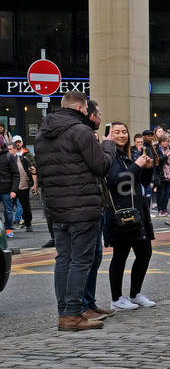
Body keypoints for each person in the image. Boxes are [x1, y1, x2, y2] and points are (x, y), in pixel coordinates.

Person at [33, 90, 113, 330]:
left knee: (64, 259)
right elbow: (101, 166)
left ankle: (64, 312)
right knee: (80, 260)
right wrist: (108, 146)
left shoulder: (42, 135)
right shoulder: (81, 131)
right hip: (82, 206)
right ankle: (72, 314)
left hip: (56, 207)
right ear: (80, 107)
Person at [101, 121, 157, 310]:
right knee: (120, 255)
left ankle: (135, 294)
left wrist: (147, 168)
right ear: (109, 135)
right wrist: (136, 165)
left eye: (124, 131)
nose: (122, 135)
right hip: (120, 214)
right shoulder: (108, 157)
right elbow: (117, 182)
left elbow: (139, 182)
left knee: (144, 253)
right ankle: (116, 299)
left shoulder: (128, 155)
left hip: (136, 212)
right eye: (117, 132)